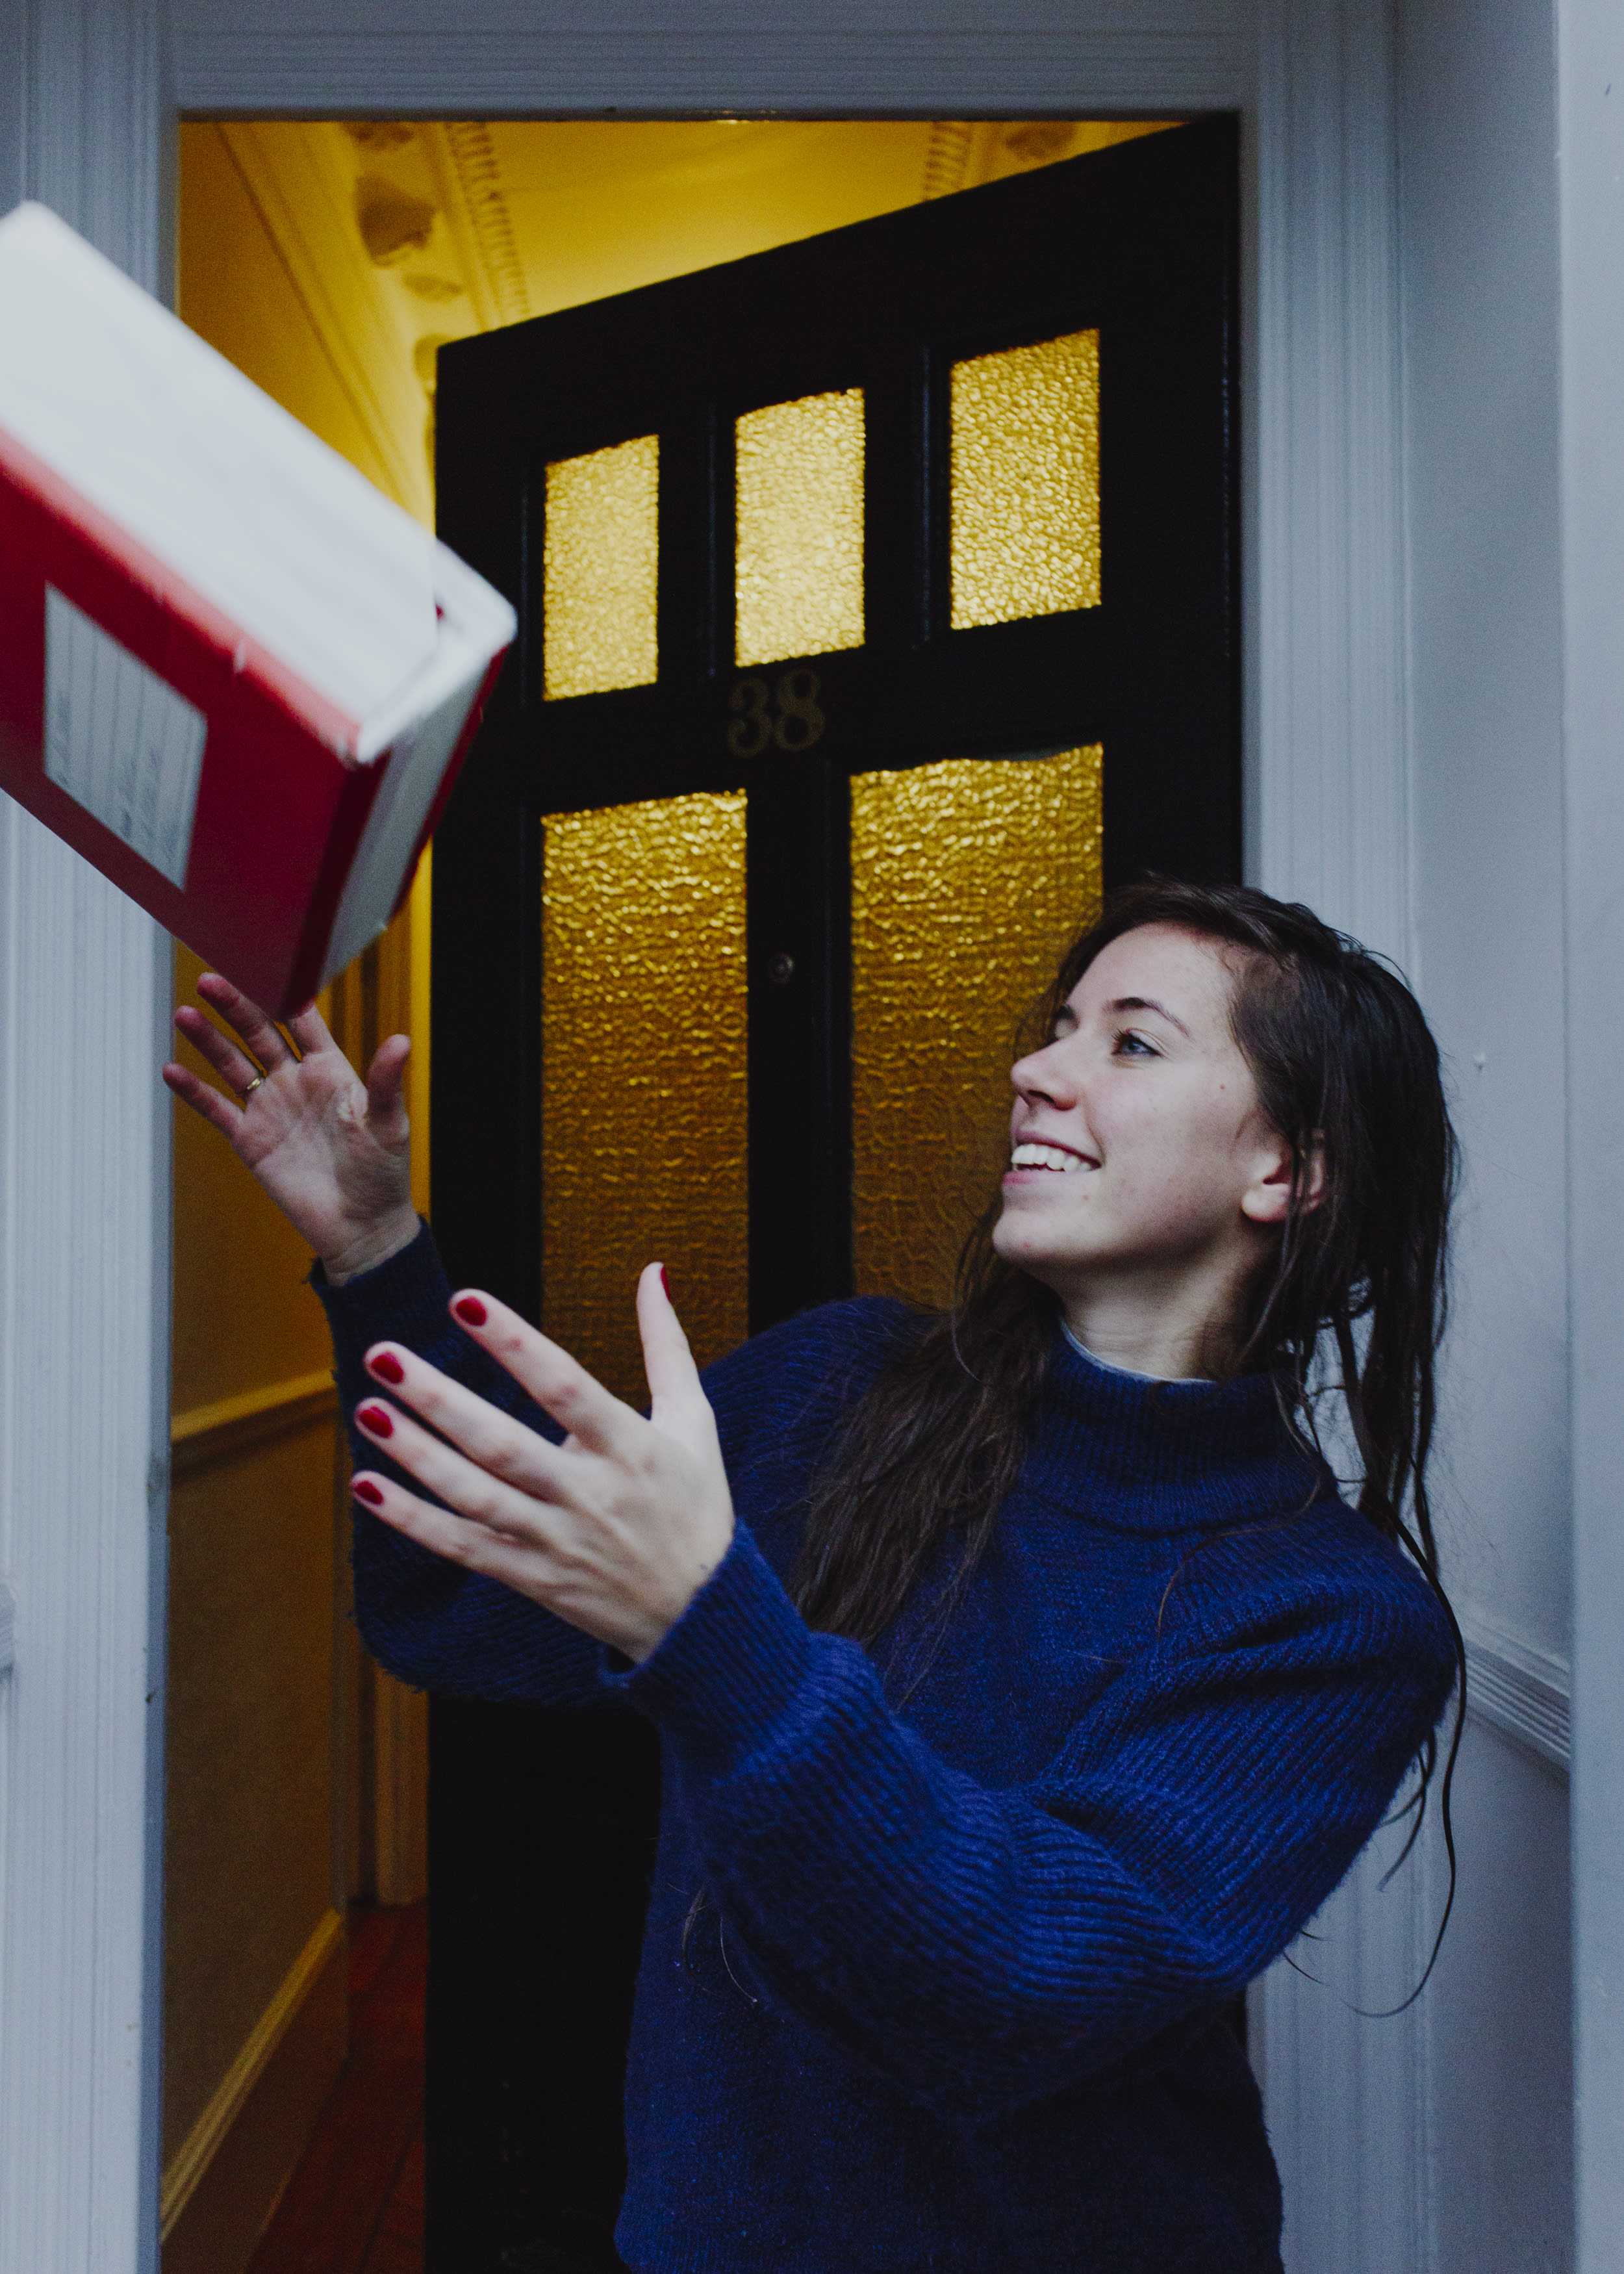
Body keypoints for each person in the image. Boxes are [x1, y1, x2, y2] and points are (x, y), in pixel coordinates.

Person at [164, 878, 1462, 2274]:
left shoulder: (1331, 1622)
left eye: (1129, 1043)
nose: (1034, 1069)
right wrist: (375, 1256)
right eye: (1057, 1027)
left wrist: (708, 1628)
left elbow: (1015, 1982)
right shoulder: (833, 1395)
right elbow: (459, 1603)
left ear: (1288, 1169)